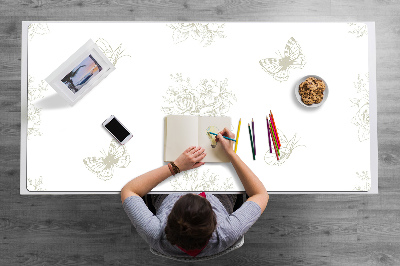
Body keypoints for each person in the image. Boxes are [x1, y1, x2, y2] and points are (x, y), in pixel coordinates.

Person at [121, 127, 269, 258]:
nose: (196, 192)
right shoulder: (227, 232)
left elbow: (129, 190)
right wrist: (230, 153)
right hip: (220, 197)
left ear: (168, 220)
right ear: (215, 222)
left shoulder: (155, 233)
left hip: (165, 195)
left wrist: (175, 166)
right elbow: (260, 194)